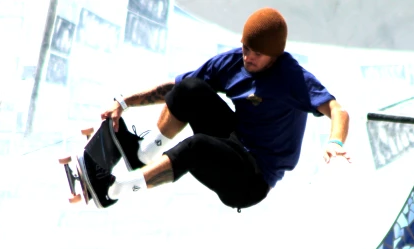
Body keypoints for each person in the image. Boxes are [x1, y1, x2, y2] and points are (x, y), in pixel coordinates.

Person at [82, 7, 351, 211]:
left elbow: (337, 110)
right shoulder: (234, 62)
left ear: (275, 54)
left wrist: (335, 142)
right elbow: (174, 87)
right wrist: (124, 102)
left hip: (252, 179)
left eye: (257, 54)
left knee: (196, 146)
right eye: (246, 48)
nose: (248, 57)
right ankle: (144, 152)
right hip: (234, 137)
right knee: (190, 88)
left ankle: (115, 190)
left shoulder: (293, 78)